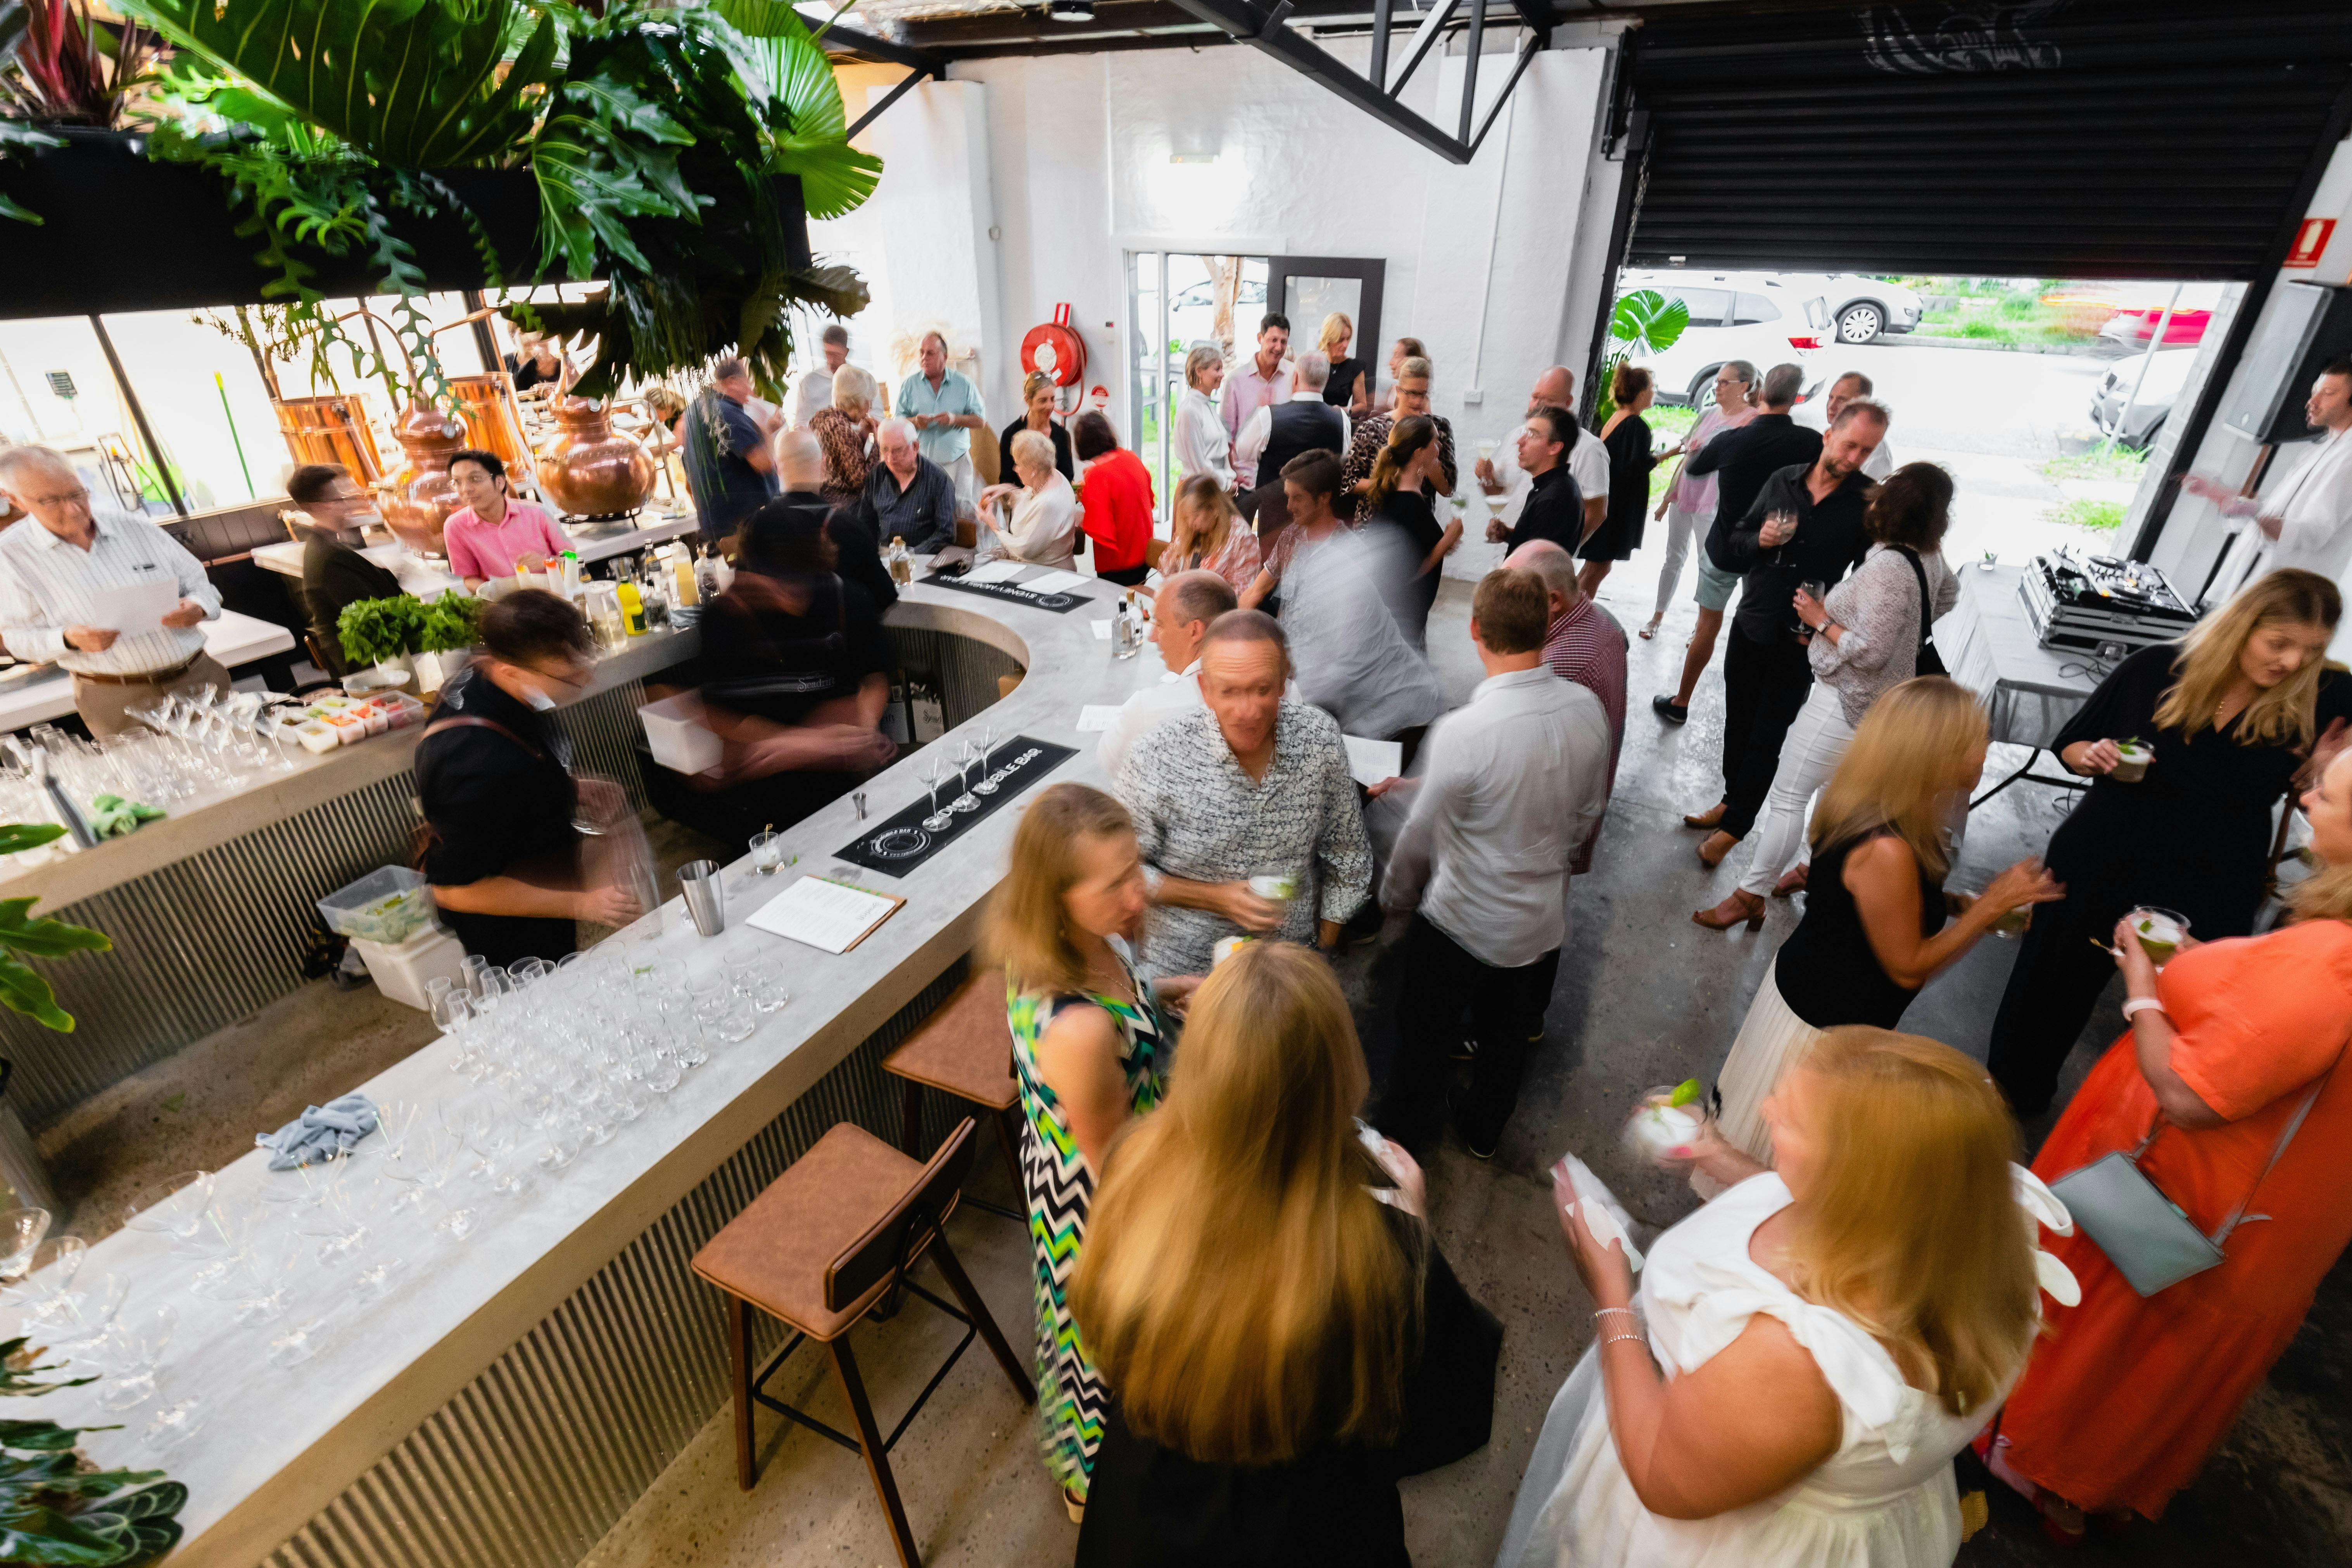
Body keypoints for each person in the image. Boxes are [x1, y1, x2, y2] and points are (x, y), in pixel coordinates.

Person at [1497, 1027, 2045, 1568]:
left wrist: (1610, 1289)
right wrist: (1715, 1154)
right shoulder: (1967, 1223)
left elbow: (1659, 1473)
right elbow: (1815, 1204)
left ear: (1852, 1179)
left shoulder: (1796, 1364)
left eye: (1794, 1119)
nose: (1766, 1106)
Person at [1986, 744, 2352, 1536]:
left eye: (2331, 789)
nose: (2310, 792)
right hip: (2269, 1226)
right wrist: (2204, 965)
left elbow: (2188, 1095)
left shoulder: (2330, 967)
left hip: (2181, 1200)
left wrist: (2145, 992)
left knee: (2108, 1343)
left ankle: (2039, 1462)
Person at [1071, 942, 1500, 1564]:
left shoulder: (1132, 1172)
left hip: (1149, 1515)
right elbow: (1447, 1416)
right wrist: (1414, 1220)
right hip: (1307, 1527)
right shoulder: (1380, 1248)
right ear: (1338, 1072)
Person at [1985, 568, 2352, 1117]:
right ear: (2239, 627)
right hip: (2104, 852)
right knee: (2048, 989)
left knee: (2199, 1006)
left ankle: (2147, 1127)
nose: (2293, 663)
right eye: (2278, 644)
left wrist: (2328, 768)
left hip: (2216, 873)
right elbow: (2071, 742)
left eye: (2312, 650)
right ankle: (2008, 1102)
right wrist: (2092, 756)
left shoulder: (2329, 695)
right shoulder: (2155, 669)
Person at [1706, 679, 2058, 1172]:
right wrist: (1988, 908)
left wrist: (1959, 905)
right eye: (1978, 740)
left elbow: (1876, 905)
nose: (1986, 752)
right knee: (1780, 1178)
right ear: (1935, 752)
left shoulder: (1875, 804)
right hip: (1824, 1025)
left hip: (1810, 996)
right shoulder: (1887, 847)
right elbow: (1908, 968)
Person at [990, 783, 1196, 1520]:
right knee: (1105, 1345)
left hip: (1085, 1144)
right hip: (1098, 1201)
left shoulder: (1072, 942)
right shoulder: (1076, 1030)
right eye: (1113, 884)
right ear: (1059, 895)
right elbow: (1117, 1165)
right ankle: (1095, 1487)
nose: (1136, 894)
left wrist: (1172, 990)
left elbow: (1124, 1000)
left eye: (1134, 868)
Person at [1371, 569, 1611, 1159]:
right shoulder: (1587, 709)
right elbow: (1587, 811)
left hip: (1462, 919)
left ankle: (1401, 1142)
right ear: (1547, 624)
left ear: (1475, 630)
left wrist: (1395, 899)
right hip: (1539, 922)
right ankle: (1483, 1130)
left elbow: (1419, 841)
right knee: (1507, 1037)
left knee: (1423, 1037)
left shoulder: (1465, 730)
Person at [1698, 464, 1961, 929]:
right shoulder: (1930, 556)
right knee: (1838, 800)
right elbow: (1947, 599)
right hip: (1880, 706)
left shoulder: (1887, 568)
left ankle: (1750, 895)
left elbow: (1870, 653)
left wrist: (1823, 623)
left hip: (1846, 700)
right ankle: (1814, 873)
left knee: (1788, 797)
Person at [1687, 399, 1887, 869]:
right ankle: (1732, 800)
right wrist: (1760, 541)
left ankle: (1735, 829)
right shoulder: (1783, 480)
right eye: (1850, 445)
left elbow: (1868, 583)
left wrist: (1828, 624)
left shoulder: (1867, 503)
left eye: (1867, 451)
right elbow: (1738, 538)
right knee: (1736, 722)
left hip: (1802, 641)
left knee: (1767, 735)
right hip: (1752, 619)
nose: (1855, 459)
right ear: (1827, 435)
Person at [1116, 610, 1373, 975]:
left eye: (1262, 689)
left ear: (1284, 681)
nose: (1248, 711)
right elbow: (1124, 873)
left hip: (1288, 969)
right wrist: (1217, 898)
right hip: (1186, 976)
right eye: (1230, 691)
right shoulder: (1156, 756)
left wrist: (1322, 954)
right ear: (1204, 689)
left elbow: (1348, 855)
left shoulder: (1319, 740)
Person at [416, 590, 642, 967]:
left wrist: (565, 788)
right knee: (539, 991)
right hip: (507, 923)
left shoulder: (488, 675)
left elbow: (516, 769)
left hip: (540, 869)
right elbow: (454, 891)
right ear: (510, 671)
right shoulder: (475, 768)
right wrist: (584, 902)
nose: (586, 679)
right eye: (570, 676)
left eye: (586, 662)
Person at [698, 499, 896, 836]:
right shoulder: (724, 620)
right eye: (783, 586)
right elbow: (718, 714)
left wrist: (862, 724)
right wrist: (801, 744)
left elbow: (875, 679)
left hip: (844, 779)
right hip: (766, 791)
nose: (797, 598)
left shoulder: (848, 599)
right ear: (754, 574)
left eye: (805, 582)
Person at [0, 444, 225, 739]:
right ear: (13, 499)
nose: (73, 508)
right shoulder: (10, 556)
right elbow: (16, 637)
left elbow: (201, 585)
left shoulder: (136, 527)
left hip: (199, 677)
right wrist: (68, 639)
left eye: (77, 493)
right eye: (50, 501)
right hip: (114, 697)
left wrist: (199, 606)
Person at [1653, 363, 1820, 725]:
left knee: (1707, 627)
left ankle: (1682, 702)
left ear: (1757, 394)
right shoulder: (1810, 443)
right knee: (1761, 628)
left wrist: (1703, 445)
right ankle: (1759, 710)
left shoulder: (1733, 440)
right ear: (1795, 399)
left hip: (1726, 547)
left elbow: (1696, 468)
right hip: (1774, 553)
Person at [1253, 452, 1445, 757]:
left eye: (1297, 498)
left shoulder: (1347, 565)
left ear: (1324, 498)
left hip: (1392, 718)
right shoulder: (1294, 541)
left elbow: (1335, 673)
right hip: (1342, 702)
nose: (1288, 507)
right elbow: (1279, 611)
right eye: (1287, 497)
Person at [1506, 540, 1627, 872]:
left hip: (1546, 827)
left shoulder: (1556, 667)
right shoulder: (1603, 619)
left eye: (1510, 592)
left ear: (1553, 600)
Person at [2190, 359, 2352, 594]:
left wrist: (2254, 512)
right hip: (2251, 585)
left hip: (2286, 592)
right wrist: (2223, 497)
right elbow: (2278, 514)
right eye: (2314, 393)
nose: (2312, 403)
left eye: (2327, 394)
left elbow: (2312, 534)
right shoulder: (2320, 448)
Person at [1644, 361, 1757, 640]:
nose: (1716, 386)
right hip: (1685, 496)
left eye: (1723, 382)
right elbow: (1688, 455)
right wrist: (1668, 498)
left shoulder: (1751, 421)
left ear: (1743, 387)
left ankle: (1701, 627)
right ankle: (1657, 616)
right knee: (1673, 558)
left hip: (1714, 504)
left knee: (1707, 565)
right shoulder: (1707, 414)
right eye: (1717, 381)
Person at [1096, 570, 1238, 779]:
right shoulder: (1284, 689)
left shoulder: (1148, 708)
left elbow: (1106, 764)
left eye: (1160, 625)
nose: (1153, 637)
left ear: (1194, 631)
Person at [286, 463, 401, 679]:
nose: (354, 503)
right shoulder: (328, 559)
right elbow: (376, 615)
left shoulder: (331, 544)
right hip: (368, 670)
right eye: (343, 499)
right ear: (317, 508)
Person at [1479, 367, 1608, 548]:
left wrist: (1563, 552)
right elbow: (1499, 491)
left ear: (1568, 401)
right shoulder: (1517, 436)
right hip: (1512, 546)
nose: (1538, 405)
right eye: (1535, 397)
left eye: (1548, 400)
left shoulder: (1588, 448)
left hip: (1541, 559)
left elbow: (1596, 511)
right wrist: (1487, 478)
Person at [1361, 413, 1459, 649]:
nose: (1440, 446)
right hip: (1403, 622)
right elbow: (1411, 571)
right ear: (1419, 453)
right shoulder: (1410, 506)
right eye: (1435, 441)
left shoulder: (1395, 498)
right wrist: (1448, 539)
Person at [768, 428, 895, 610]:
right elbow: (886, 596)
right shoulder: (851, 529)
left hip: (773, 638)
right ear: (824, 465)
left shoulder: (754, 529)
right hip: (844, 637)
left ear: (777, 467)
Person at [1235, 350, 1347, 542]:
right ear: (1326, 380)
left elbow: (1242, 452)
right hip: (1319, 518)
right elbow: (1341, 460)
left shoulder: (1269, 416)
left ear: (1295, 378)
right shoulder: (1341, 419)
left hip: (1275, 513)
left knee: (1272, 565)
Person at [680, 357, 782, 546]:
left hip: (720, 527)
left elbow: (689, 484)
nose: (752, 393)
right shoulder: (726, 413)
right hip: (745, 529)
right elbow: (764, 463)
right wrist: (768, 430)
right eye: (748, 383)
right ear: (733, 382)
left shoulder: (695, 411)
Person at [1342, 356, 1456, 523]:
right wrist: (1391, 485)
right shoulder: (1372, 428)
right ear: (1398, 389)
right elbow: (1348, 483)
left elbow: (1448, 489)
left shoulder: (1439, 428)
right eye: (1412, 394)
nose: (1418, 401)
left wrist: (1429, 455)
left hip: (1416, 526)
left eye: (1423, 394)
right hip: (1374, 525)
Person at [440, 449, 572, 589]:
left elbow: (572, 558)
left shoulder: (538, 513)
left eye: (475, 479)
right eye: (457, 482)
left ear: (499, 482)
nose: (465, 489)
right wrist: (496, 595)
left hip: (553, 595)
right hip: (504, 604)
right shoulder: (455, 527)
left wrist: (547, 562)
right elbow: (470, 578)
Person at [1582, 364, 1658, 598]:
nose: (1654, 393)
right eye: (1652, 388)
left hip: (1609, 498)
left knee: (1593, 566)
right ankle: (1574, 616)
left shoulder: (1617, 417)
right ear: (1643, 392)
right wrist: (1660, 457)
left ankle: (1568, 612)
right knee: (1600, 567)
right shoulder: (1636, 425)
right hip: (1618, 507)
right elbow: (1632, 467)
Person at [896, 329, 988, 504]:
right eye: (921, 353)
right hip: (923, 464)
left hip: (958, 462)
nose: (924, 358)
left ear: (944, 357)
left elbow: (981, 421)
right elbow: (898, 421)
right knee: (927, 512)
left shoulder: (964, 384)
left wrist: (955, 419)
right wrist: (914, 422)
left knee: (960, 513)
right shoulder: (910, 385)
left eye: (930, 353)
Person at [1488, 406, 1587, 554]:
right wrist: (1508, 534)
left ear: (1554, 448)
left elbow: (1536, 565)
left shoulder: (1554, 498)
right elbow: (1537, 542)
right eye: (1524, 433)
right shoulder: (1552, 485)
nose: (1520, 441)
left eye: (1532, 435)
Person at [1073, 412, 1155, 587]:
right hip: (1144, 553)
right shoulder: (1131, 457)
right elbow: (1146, 499)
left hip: (1120, 562)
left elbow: (1099, 526)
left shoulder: (1097, 475)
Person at [979, 429, 1081, 569]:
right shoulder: (1050, 475)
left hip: (1047, 573)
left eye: (1018, 464)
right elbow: (1031, 501)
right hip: (1032, 568)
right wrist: (1007, 490)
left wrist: (994, 526)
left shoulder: (1049, 503)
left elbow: (1025, 550)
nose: (1015, 469)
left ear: (1033, 469)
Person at [859, 418, 957, 555]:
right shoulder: (877, 476)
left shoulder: (938, 479)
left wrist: (911, 555)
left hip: (922, 558)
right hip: (883, 556)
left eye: (898, 450)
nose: (890, 458)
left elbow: (946, 533)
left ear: (915, 447)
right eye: (885, 450)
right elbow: (866, 524)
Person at [1221, 312, 1294, 484]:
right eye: (1273, 340)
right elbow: (1226, 434)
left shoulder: (1294, 374)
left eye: (1284, 341)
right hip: (1244, 476)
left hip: (1282, 476)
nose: (1279, 347)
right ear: (1260, 338)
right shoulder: (1236, 380)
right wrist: (1232, 475)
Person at [1163, 472, 1261, 593]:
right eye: (1186, 517)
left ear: (1214, 509)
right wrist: (1178, 552)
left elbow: (1243, 596)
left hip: (1220, 610)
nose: (1190, 523)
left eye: (1195, 516)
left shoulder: (1241, 538)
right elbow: (1167, 571)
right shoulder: (1193, 530)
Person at [809, 365, 878, 506]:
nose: (870, 407)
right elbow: (861, 480)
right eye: (868, 400)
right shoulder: (838, 428)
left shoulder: (821, 420)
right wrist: (877, 443)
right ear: (856, 401)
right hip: (845, 510)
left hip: (828, 505)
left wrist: (865, 439)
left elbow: (846, 467)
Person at [1172, 344, 1235, 494]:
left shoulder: (1207, 407)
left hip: (1212, 489)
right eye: (1217, 369)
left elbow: (1221, 455)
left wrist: (1229, 479)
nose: (1222, 374)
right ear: (1199, 371)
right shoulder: (1189, 410)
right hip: (1196, 493)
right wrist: (1226, 485)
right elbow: (1199, 465)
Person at [998, 368, 1076, 486]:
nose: (1050, 406)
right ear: (1028, 400)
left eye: (1053, 399)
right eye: (1043, 401)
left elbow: (1067, 478)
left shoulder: (1061, 435)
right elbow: (1006, 480)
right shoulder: (1011, 435)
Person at [1822, 371, 1895, 481]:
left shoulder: (1877, 454)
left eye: (1842, 400)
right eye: (1831, 398)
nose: (1832, 406)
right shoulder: (1831, 435)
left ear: (1862, 403)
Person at [792, 322, 850, 428]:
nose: (831, 361)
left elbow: (876, 418)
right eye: (828, 354)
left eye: (836, 355)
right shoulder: (809, 382)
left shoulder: (862, 381)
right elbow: (800, 423)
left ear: (846, 352)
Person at [1316, 310, 1371, 416]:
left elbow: (1362, 405)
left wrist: (1345, 411)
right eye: (1341, 340)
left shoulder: (1355, 368)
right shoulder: (1315, 362)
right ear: (1329, 339)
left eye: (1348, 339)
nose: (1346, 345)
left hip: (1339, 422)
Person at [1367, 335, 1427, 415]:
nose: (1391, 362)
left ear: (1410, 360)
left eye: (1396, 356)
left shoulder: (1423, 402)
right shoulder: (1393, 389)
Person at [505, 333, 569, 394]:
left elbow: (571, 386)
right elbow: (517, 392)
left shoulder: (561, 364)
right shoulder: (528, 368)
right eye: (523, 333)